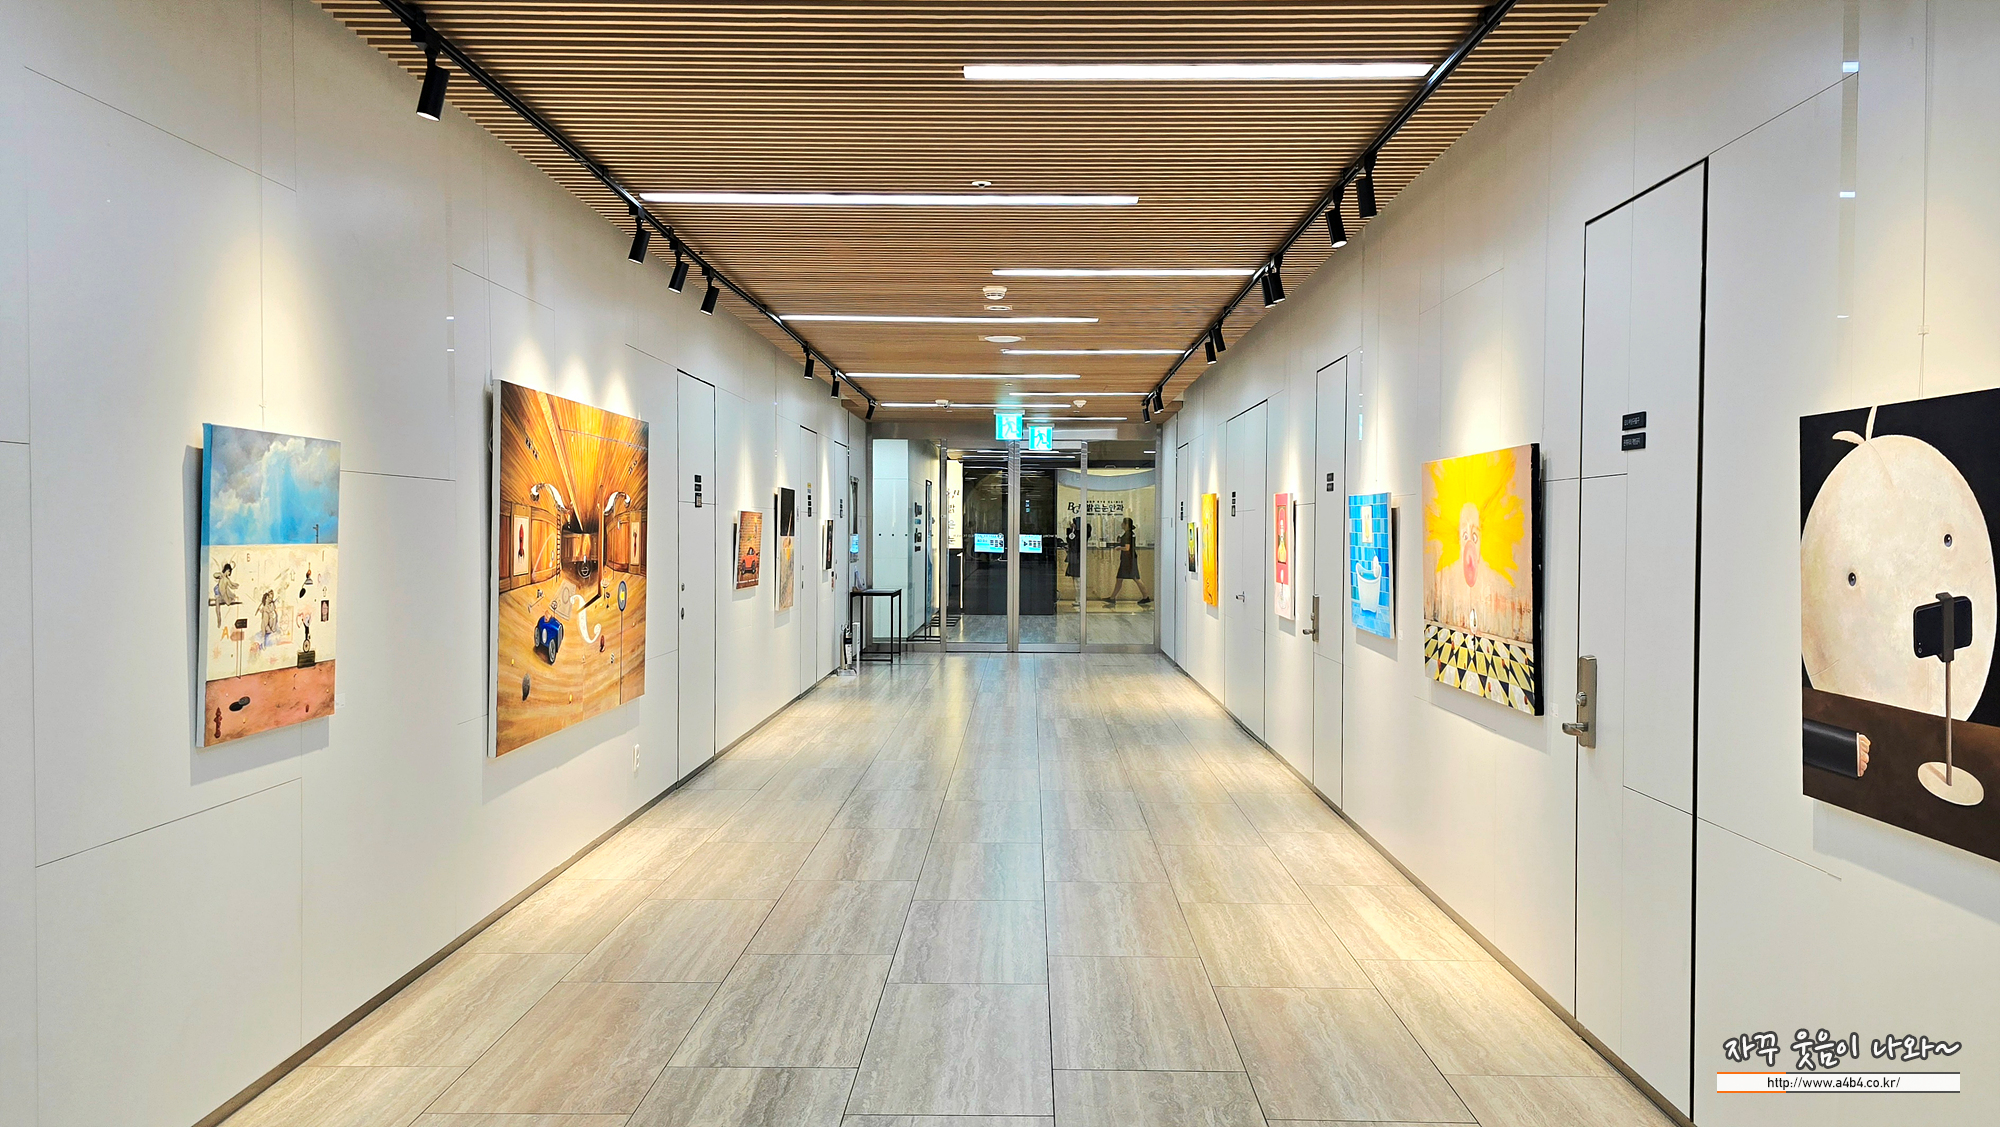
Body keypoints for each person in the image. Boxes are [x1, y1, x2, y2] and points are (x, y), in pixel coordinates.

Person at [1104, 517, 1151, 605]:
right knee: (1120, 578)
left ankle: (1146, 596)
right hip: (1129, 558)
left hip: (1128, 560)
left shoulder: (1128, 534)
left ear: (1126, 525)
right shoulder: (1130, 534)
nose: (1121, 524)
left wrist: (1119, 548)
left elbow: (1127, 548)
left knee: (1135, 578)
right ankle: (1112, 597)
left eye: (1123, 523)